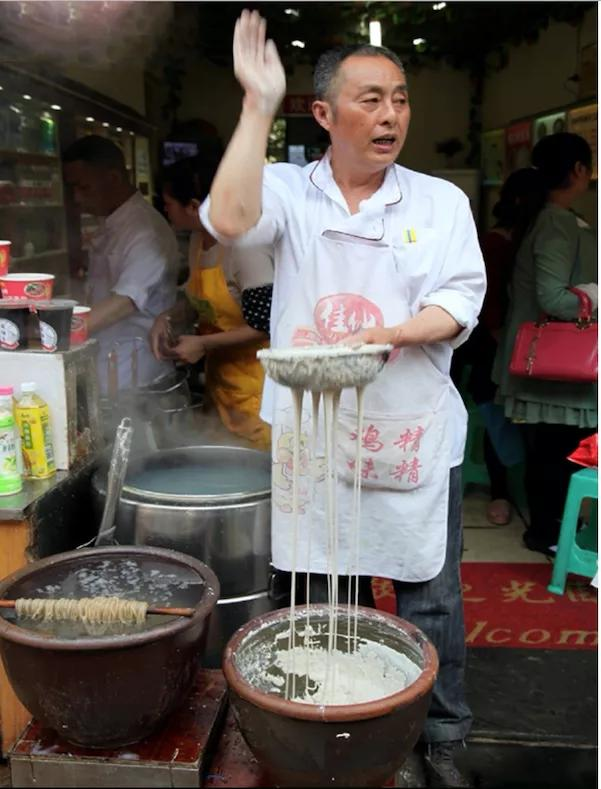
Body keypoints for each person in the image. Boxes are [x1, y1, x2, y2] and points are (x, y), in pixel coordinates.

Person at [201, 11, 486, 787]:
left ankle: (442, 735)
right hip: (315, 432)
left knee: (428, 590)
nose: (389, 114)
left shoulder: (435, 202)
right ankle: (331, 721)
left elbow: (459, 300)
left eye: (398, 98)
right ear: (323, 113)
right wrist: (257, 104)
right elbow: (228, 221)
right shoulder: (289, 192)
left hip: (407, 426)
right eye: (368, 99)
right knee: (322, 584)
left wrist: (387, 333)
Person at [494, 133, 597, 556]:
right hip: (558, 366)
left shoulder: (552, 215)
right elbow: (553, 297)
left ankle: (553, 531)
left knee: (553, 451)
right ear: (578, 170)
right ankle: (551, 533)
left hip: (553, 365)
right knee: (560, 453)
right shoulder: (556, 219)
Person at [150, 155, 273, 450]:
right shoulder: (198, 240)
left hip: (259, 391)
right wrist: (166, 317)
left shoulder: (245, 248)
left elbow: (267, 324)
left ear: (194, 207)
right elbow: (200, 300)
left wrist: (203, 345)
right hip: (221, 389)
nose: (164, 208)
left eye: (168, 202)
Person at [452, 168, 544, 525]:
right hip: (490, 344)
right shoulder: (495, 241)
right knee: (495, 408)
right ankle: (500, 491)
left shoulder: (530, 236)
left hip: (517, 341)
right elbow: (487, 305)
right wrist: (504, 339)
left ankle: (516, 487)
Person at [63, 135, 178, 393]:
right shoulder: (114, 222)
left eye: (84, 187)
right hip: (109, 363)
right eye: (73, 189)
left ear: (113, 178)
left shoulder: (144, 231)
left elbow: (125, 301)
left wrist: (57, 334)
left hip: (138, 375)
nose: (77, 198)